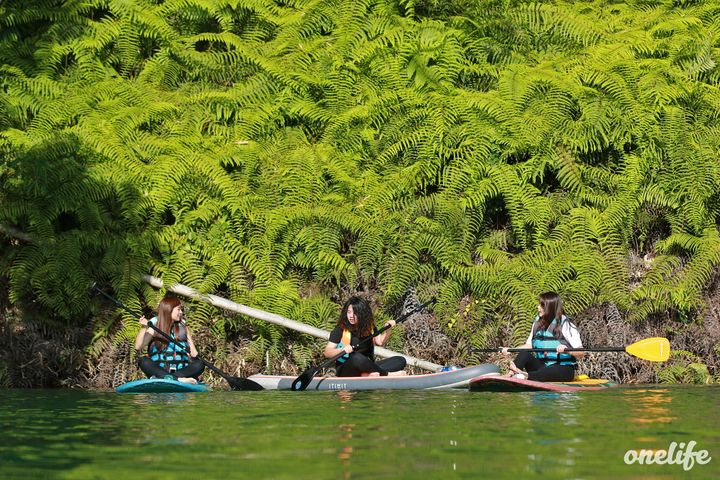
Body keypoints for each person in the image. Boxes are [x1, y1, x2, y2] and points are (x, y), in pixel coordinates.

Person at [501, 292, 583, 382]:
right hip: (542, 366)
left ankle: (526, 376)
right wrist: (511, 350)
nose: (538, 307)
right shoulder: (537, 324)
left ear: (550, 307)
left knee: (551, 370)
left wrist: (567, 351)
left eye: (542, 305)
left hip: (563, 369)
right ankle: (510, 374)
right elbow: (529, 346)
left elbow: (581, 352)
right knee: (524, 353)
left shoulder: (566, 325)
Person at [324, 296, 407, 377]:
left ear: (362, 313)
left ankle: (367, 374)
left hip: (368, 366)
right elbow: (327, 352)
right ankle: (387, 374)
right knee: (356, 357)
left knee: (400, 360)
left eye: (355, 313)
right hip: (347, 369)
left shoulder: (369, 326)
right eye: (349, 312)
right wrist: (342, 350)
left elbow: (380, 342)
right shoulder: (340, 329)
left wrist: (388, 330)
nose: (351, 316)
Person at [134, 295, 204, 384]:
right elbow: (138, 346)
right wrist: (143, 328)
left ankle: (170, 378)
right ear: (169, 309)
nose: (181, 312)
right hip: (160, 370)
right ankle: (175, 379)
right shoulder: (155, 323)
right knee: (143, 361)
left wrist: (191, 353)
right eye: (178, 309)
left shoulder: (182, 325)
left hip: (181, 371)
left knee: (200, 364)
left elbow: (194, 353)